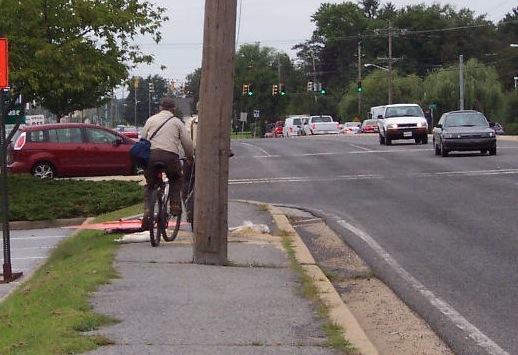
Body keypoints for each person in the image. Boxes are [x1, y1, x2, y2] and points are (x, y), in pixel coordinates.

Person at [140, 97, 194, 230]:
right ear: (173, 109)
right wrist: (189, 157)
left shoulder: (151, 120)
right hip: (170, 157)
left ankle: (148, 210)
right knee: (176, 178)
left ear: (160, 108)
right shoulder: (177, 122)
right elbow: (187, 143)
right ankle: (175, 205)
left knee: (150, 185)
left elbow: (142, 139)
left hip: (151, 157)